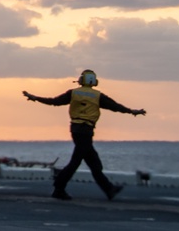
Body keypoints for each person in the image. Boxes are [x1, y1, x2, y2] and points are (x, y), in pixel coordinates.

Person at [22, 70, 145, 201]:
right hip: (86, 130)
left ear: (82, 80)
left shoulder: (73, 93)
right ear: (94, 81)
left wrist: (36, 98)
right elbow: (115, 106)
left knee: (93, 163)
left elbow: (54, 101)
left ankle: (108, 189)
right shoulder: (98, 96)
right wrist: (131, 111)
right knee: (78, 162)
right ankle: (60, 188)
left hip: (76, 129)